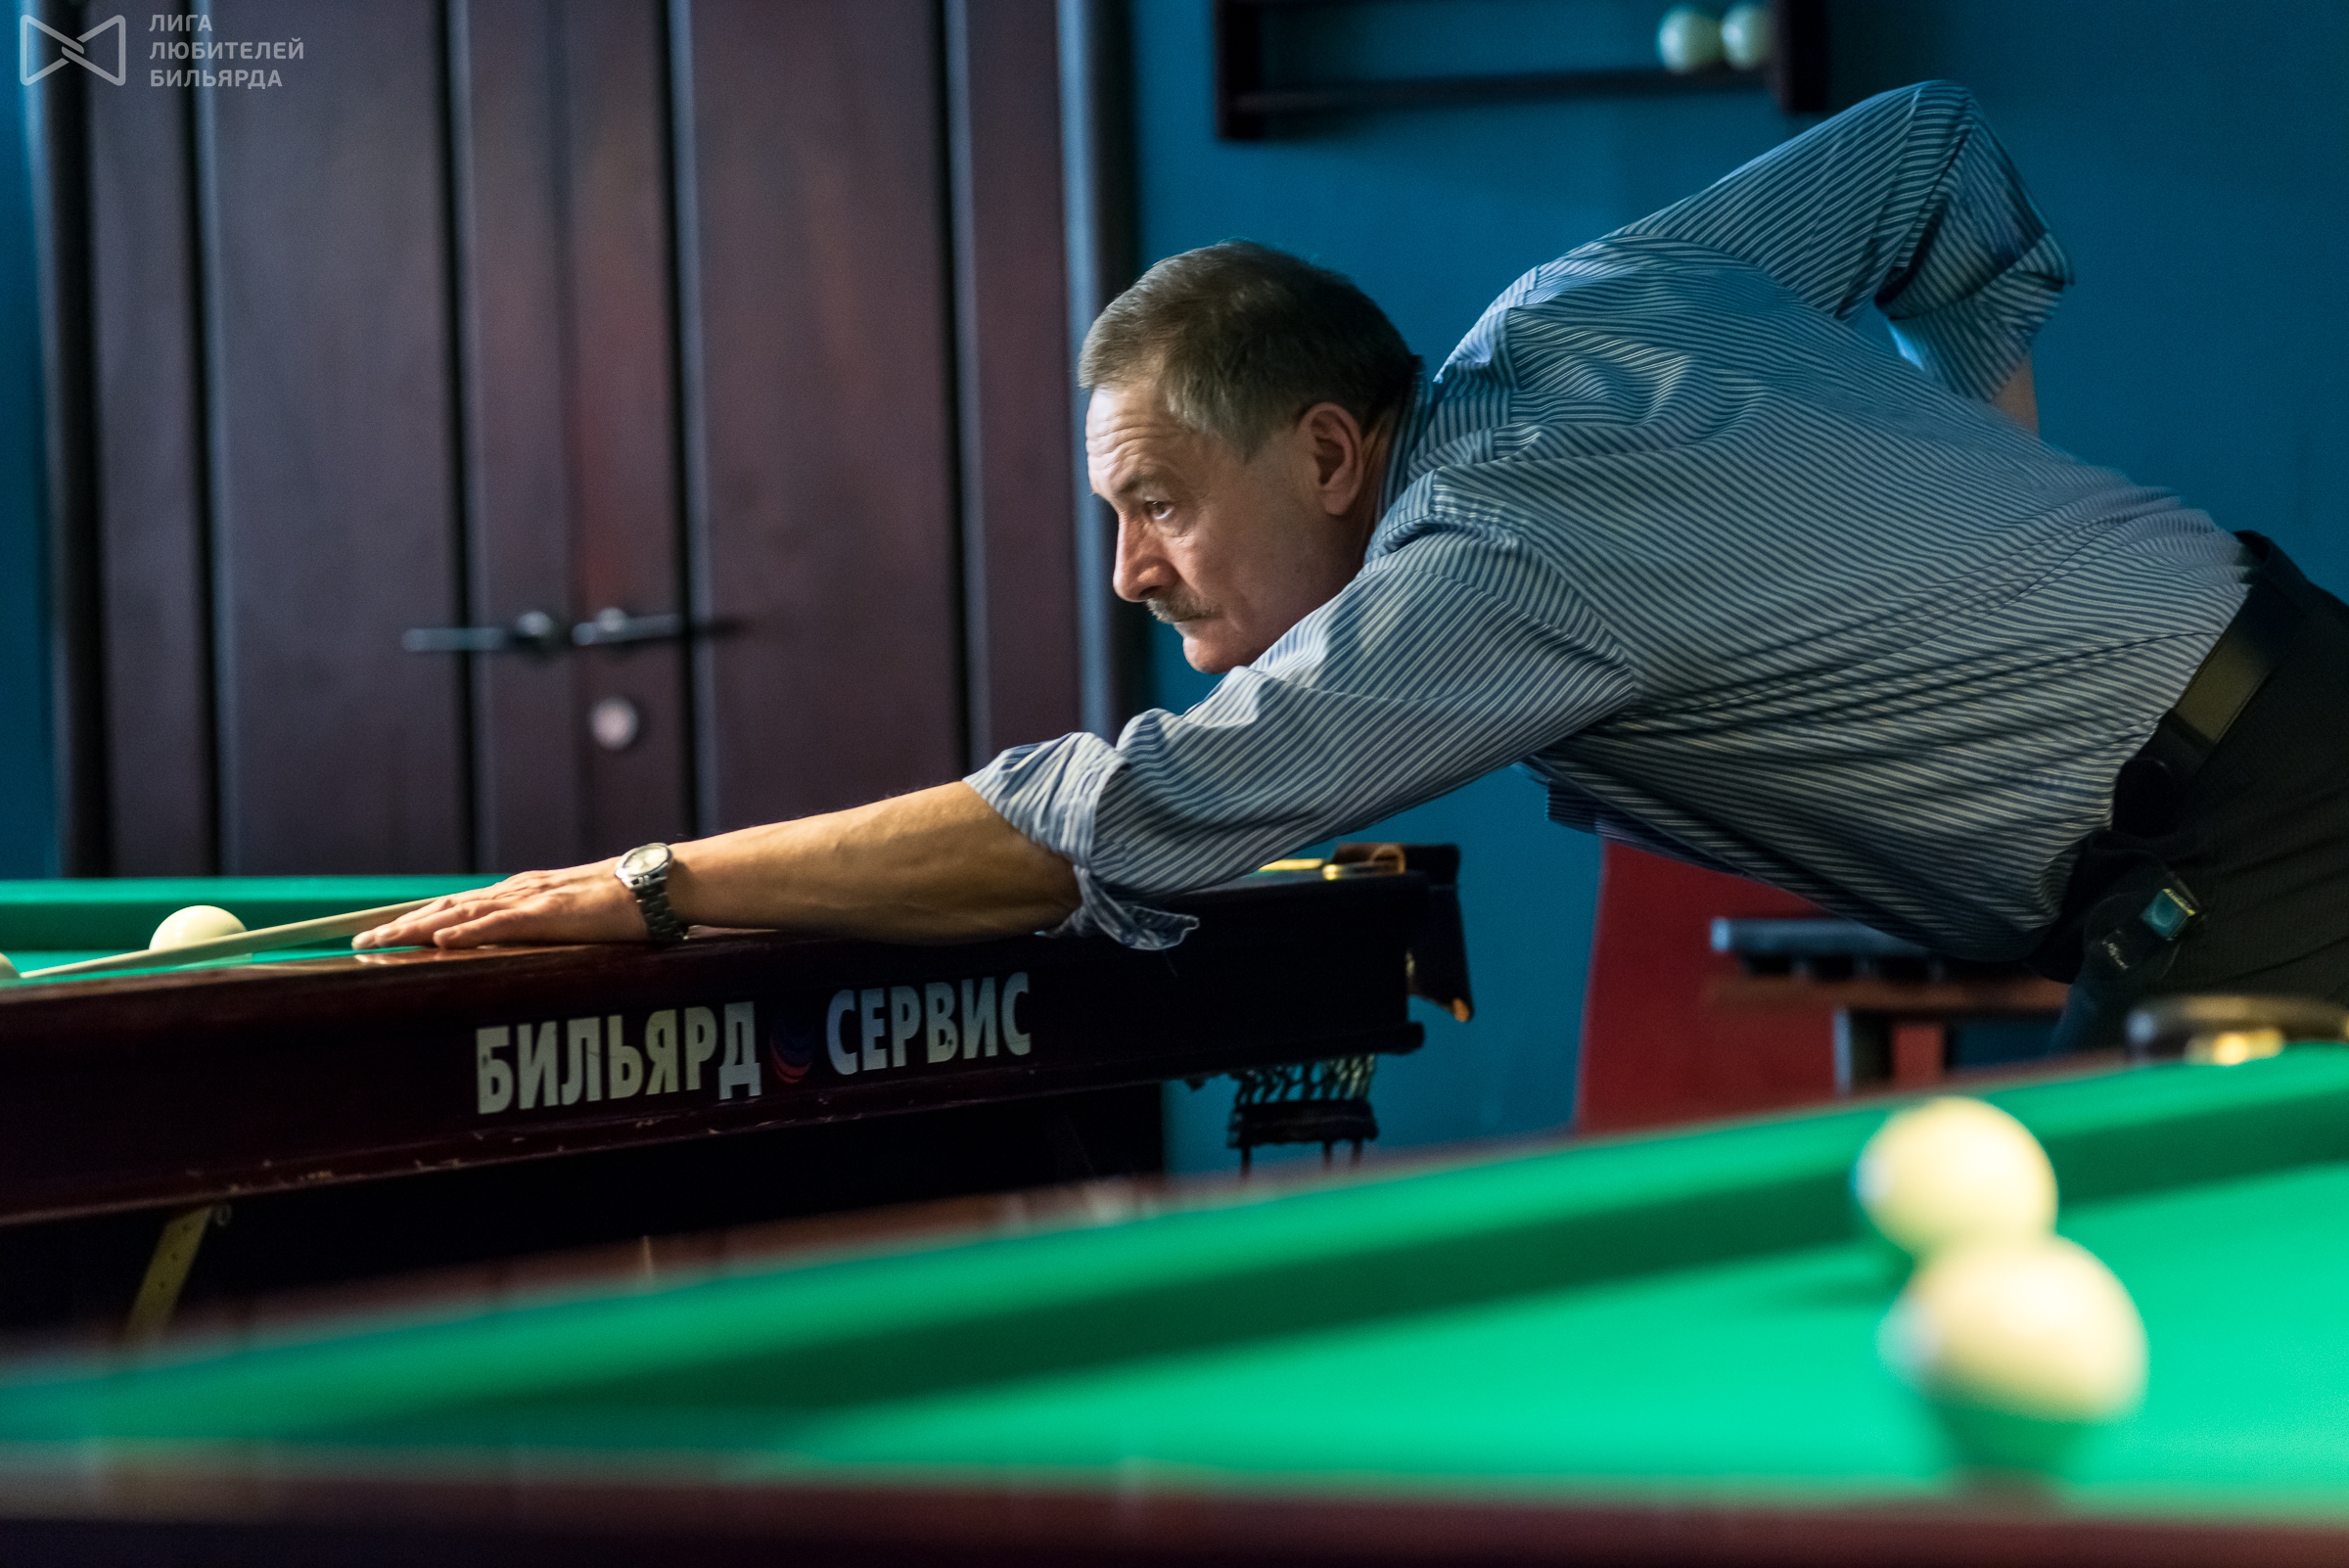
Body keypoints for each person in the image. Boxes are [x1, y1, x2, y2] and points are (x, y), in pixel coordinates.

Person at [359, 82, 2349, 1047]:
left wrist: (660, 884)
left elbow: (1117, 818)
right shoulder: (1592, 298)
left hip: (2258, 842)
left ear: (1327, 448)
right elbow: (1927, 157)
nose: (1132, 570)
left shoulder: (1492, 558)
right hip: (2292, 708)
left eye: (1158, 500)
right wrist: (1987, 472)